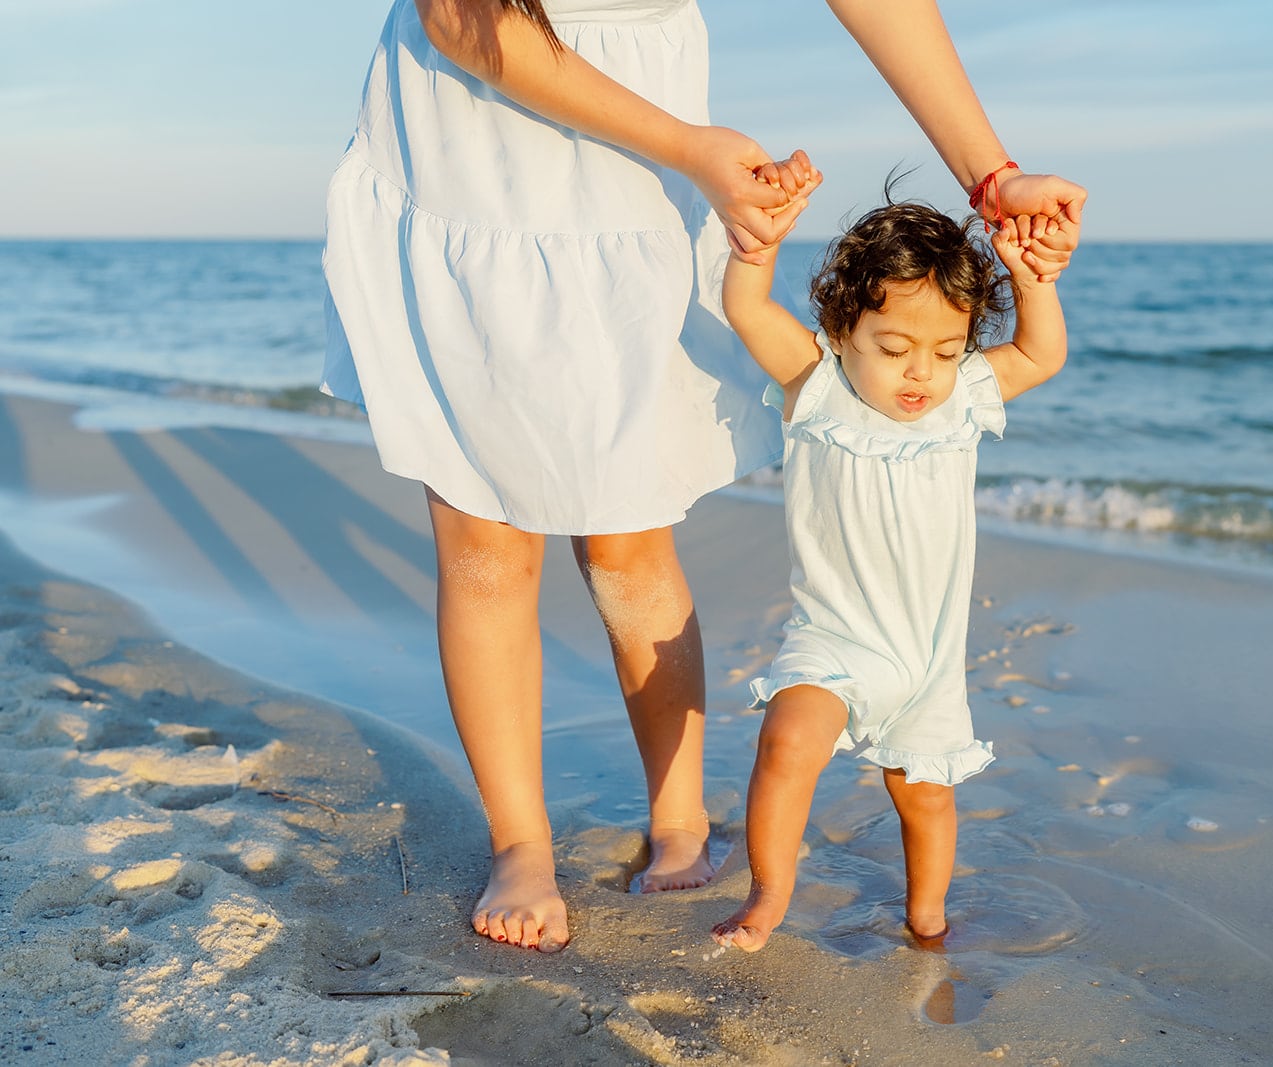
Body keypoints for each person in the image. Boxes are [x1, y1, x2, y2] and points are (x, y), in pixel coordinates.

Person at [321, 0, 1085, 953]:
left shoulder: (950, 386)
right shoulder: (827, 375)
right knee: (483, 532)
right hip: (481, 134)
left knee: (628, 529)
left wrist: (993, 176)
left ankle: (678, 815)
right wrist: (687, 147)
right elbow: (457, 17)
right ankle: (521, 841)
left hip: (649, 150)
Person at [712, 178, 1069, 951]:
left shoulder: (964, 396)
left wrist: (1033, 281)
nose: (920, 373)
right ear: (842, 332)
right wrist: (759, 250)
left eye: (945, 349)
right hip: (836, 639)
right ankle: (769, 893)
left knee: (927, 800)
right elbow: (746, 309)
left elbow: (1043, 353)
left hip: (930, 659)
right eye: (895, 348)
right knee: (788, 740)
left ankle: (928, 916)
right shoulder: (819, 387)